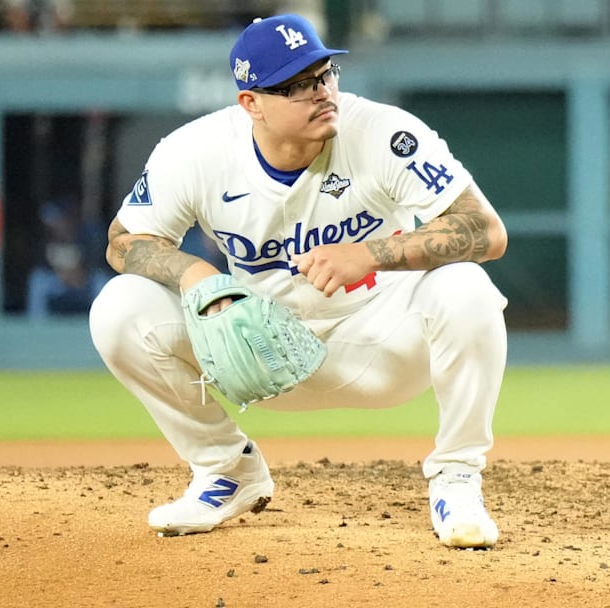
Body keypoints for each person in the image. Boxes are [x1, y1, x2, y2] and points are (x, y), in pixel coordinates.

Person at [88, 13, 509, 549]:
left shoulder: (384, 132)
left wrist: (372, 252)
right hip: (262, 350)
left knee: (467, 288)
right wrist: (196, 275)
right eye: (296, 86)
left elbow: (485, 231)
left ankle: (457, 478)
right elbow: (123, 240)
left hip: (383, 342)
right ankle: (225, 471)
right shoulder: (196, 151)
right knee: (119, 308)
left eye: (325, 73)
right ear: (251, 103)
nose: (321, 93)